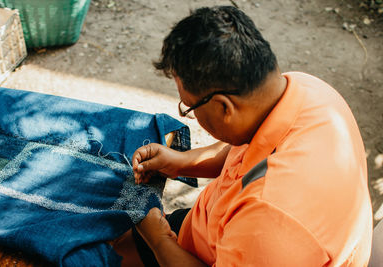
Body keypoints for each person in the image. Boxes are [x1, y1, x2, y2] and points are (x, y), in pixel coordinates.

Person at [114, 5, 373, 266]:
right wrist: (180, 162)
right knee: (112, 242)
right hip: (216, 228)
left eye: (189, 107)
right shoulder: (304, 90)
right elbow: (244, 149)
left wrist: (158, 240)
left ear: (225, 107)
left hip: (234, 246)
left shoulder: (270, 221)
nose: (187, 114)